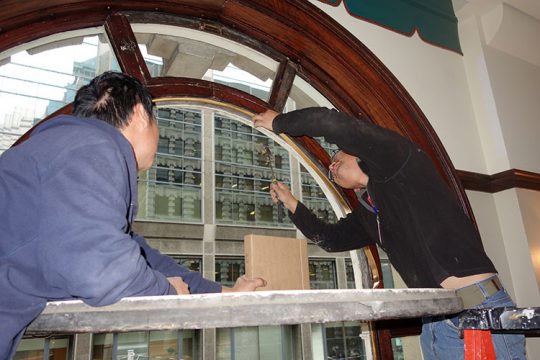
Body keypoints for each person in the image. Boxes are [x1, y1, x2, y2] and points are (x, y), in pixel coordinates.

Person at [0, 71, 265, 359]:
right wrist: (167, 294)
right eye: (156, 121)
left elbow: (143, 258)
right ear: (140, 113)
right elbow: (99, 269)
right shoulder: (93, 148)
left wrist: (227, 294)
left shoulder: (63, 153)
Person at [252, 107, 525, 359]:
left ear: (358, 151)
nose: (331, 167)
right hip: (436, 320)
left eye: (336, 158)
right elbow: (332, 239)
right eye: (330, 169)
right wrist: (291, 203)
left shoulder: (398, 161)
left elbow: (329, 122)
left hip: (477, 308)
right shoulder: (370, 210)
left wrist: (279, 122)